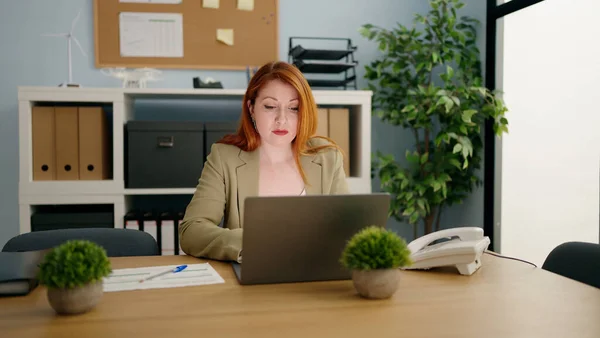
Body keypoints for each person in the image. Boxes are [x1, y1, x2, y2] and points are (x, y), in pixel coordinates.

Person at [178, 61, 349, 262]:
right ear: (251, 108)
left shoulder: (327, 157)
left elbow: (346, 228)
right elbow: (191, 230)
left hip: (314, 276)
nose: (282, 119)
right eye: (270, 106)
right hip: (253, 275)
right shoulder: (225, 157)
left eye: (294, 108)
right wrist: (252, 243)